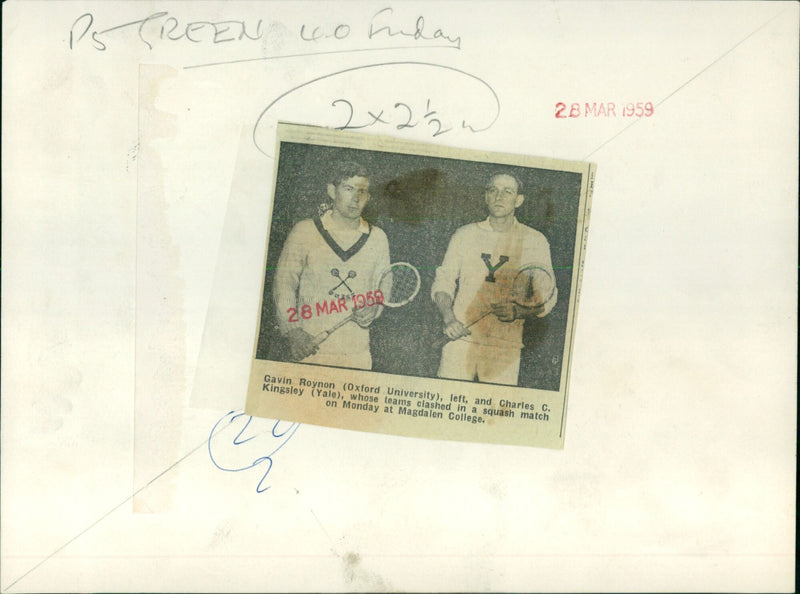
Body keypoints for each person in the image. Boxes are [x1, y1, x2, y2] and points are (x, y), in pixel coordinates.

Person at [431, 173, 557, 385]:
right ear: (486, 197)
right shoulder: (464, 235)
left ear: (519, 200)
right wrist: (448, 318)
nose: (499, 196)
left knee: (494, 414)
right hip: (459, 341)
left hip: (505, 348)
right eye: (493, 190)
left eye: (507, 192)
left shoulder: (535, 241)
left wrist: (518, 311)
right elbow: (444, 281)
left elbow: (547, 297)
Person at [273, 161, 390, 369]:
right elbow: (284, 284)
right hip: (309, 348)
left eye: (362, 191)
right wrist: (293, 331)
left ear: (369, 197)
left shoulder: (378, 238)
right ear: (331, 191)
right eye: (348, 189)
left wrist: (375, 307)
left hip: (357, 355)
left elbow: (384, 286)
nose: (356, 198)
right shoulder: (305, 231)